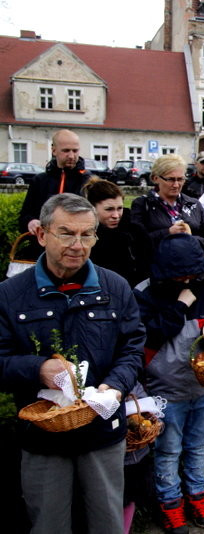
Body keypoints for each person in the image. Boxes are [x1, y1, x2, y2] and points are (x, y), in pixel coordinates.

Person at [0, 193, 144, 534]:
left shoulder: (115, 287)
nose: (77, 245)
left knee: (107, 521)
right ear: (41, 235)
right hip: (43, 434)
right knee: (48, 523)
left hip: (103, 429)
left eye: (87, 235)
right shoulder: (10, 294)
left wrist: (116, 385)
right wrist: (37, 368)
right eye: (66, 233)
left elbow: (133, 348)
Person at [134, 234, 204, 533]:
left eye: (192, 274)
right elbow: (151, 335)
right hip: (165, 389)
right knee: (168, 449)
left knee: (198, 446)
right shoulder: (144, 293)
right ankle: (169, 503)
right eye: (180, 276)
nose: (187, 280)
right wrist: (181, 305)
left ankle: (198, 495)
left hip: (203, 387)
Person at [130, 154, 204, 254]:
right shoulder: (143, 205)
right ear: (155, 178)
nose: (176, 185)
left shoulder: (193, 204)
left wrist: (190, 239)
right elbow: (137, 243)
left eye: (180, 179)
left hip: (191, 266)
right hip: (158, 267)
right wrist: (168, 233)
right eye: (170, 179)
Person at [83, 177, 152, 287]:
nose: (116, 215)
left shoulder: (135, 232)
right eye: (109, 209)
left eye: (119, 208)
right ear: (93, 208)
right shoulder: (84, 237)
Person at [20, 129, 91, 234]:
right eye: (66, 151)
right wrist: (31, 222)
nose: (71, 156)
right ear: (54, 150)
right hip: (44, 243)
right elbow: (25, 216)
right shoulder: (39, 181)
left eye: (75, 151)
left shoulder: (89, 181)